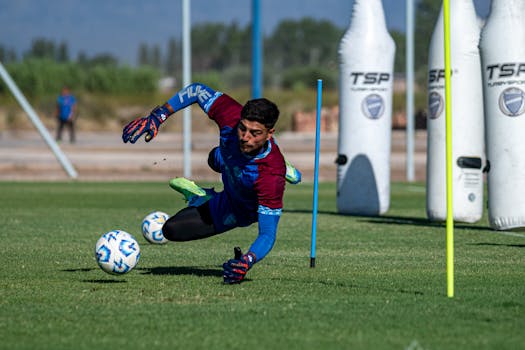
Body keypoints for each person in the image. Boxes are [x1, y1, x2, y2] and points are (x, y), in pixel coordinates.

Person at [122, 83, 301, 284]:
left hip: (239, 208)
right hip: (228, 165)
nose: (245, 137)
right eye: (243, 128)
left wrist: (247, 261)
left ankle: (285, 166)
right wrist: (158, 115)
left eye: (255, 133)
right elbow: (197, 90)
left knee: (173, 229)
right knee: (170, 228)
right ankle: (203, 196)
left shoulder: (270, 176)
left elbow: (268, 234)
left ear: (270, 133)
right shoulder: (231, 116)